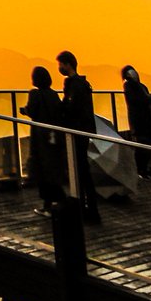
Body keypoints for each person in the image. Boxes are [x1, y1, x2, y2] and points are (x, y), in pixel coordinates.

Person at [56, 50, 101, 224]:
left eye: (61, 64)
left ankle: (85, 209)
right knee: (82, 170)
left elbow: (70, 108)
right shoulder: (83, 83)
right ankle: (89, 208)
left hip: (75, 132)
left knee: (80, 170)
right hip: (83, 131)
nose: (60, 68)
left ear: (68, 64)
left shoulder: (74, 85)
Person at [20, 66, 65, 215]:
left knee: (41, 169)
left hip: (39, 137)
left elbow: (32, 111)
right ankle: (57, 201)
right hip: (53, 136)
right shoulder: (53, 94)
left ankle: (48, 203)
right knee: (52, 169)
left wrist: (24, 110)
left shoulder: (34, 94)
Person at [121, 65, 151, 178]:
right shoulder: (129, 86)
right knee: (142, 147)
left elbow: (146, 100)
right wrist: (150, 97)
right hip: (140, 121)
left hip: (148, 120)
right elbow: (137, 100)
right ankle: (139, 171)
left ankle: (143, 170)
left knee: (148, 146)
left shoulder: (142, 86)